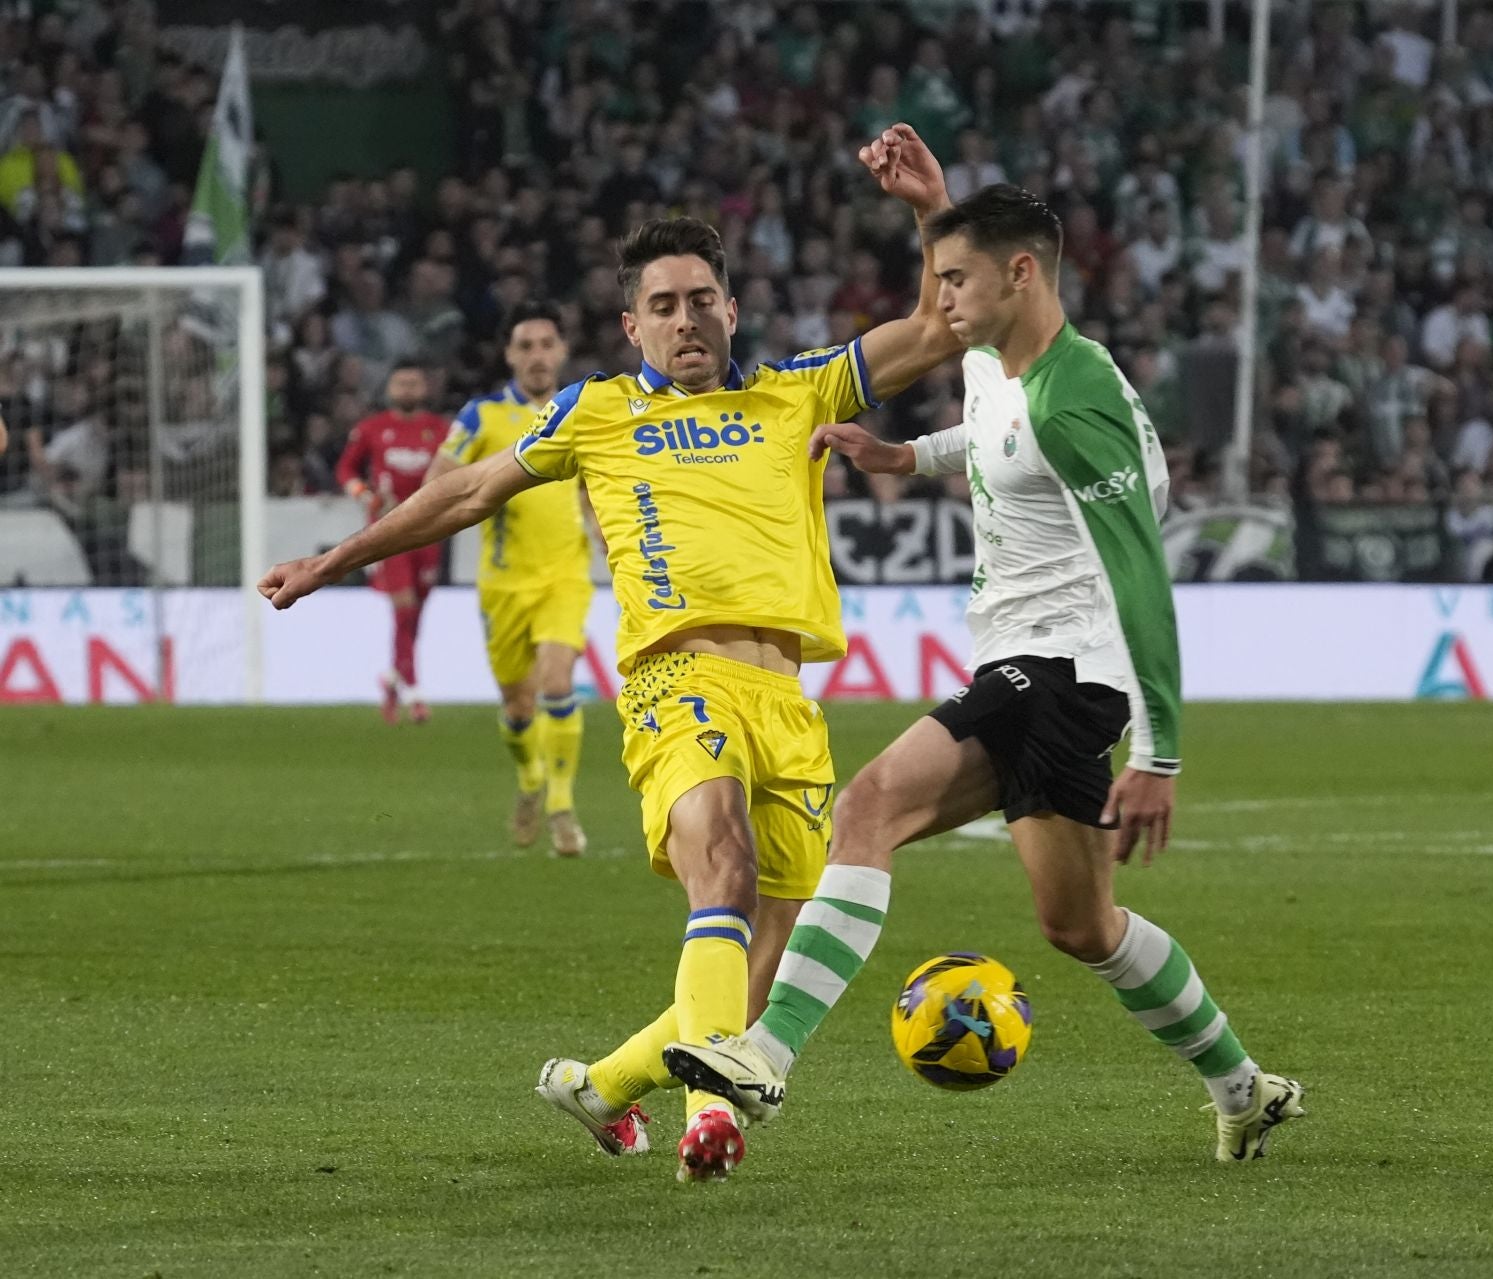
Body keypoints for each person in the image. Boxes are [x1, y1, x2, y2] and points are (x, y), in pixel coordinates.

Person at [258, 124, 965, 1183]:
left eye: (702, 299)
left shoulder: (800, 390)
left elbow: (939, 328)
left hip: (789, 703)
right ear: (631, 323)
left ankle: (598, 1086)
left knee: (758, 977)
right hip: (676, 679)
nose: (686, 320)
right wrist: (340, 556)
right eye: (664, 306)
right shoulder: (596, 412)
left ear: (731, 306)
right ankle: (708, 1123)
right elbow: (466, 488)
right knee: (716, 858)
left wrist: (930, 210)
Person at [663, 185, 1305, 1167]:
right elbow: (993, 436)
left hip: (1062, 666)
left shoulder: (1074, 399)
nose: (938, 296)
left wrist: (1161, 752)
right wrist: (906, 454)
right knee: (1081, 924)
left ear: (1022, 277)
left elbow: (1141, 575)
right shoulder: (995, 358)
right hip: (1027, 658)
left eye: (955, 278)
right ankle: (1242, 1087)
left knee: (869, 806)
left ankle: (764, 1051)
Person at [423, 301, 598, 857]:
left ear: (562, 351)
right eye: (526, 346)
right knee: (519, 706)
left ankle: (562, 807)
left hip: (565, 576)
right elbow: (439, 479)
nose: (538, 355)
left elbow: (600, 484)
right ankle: (529, 780)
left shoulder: (585, 411)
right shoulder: (481, 417)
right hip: (502, 584)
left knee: (556, 684)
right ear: (509, 356)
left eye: (547, 344)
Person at [334, 363, 451, 724]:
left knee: (414, 616)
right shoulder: (372, 428)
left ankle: (391, 680)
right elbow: (345, 470)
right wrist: (363, 494)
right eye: (401, 382)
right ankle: (415, 695)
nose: (407, 388)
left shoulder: (440, 430)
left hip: (430, 531)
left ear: (424, 388)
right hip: (387, 533)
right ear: (390, 387)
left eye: (414, 381)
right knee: (402, 609)